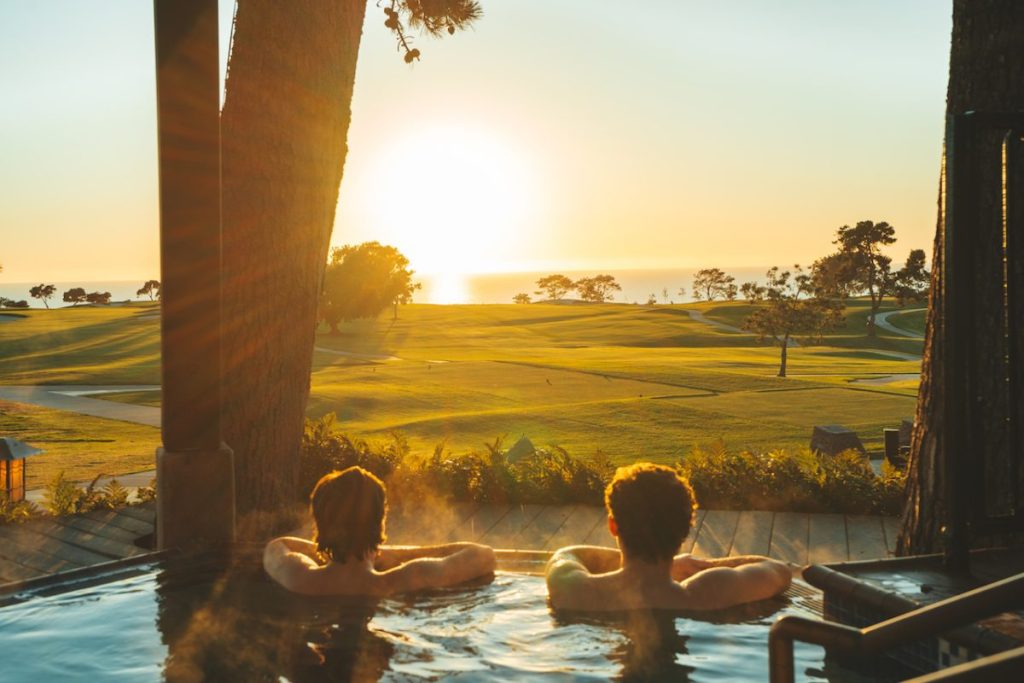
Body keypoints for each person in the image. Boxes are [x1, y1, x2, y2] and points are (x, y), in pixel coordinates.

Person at [546, 463, 793, 611]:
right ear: (685, 530)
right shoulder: (707, 593)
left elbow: (566, 554)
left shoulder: (577, 591)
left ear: (613, 526)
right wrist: (687, 565)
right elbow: (779, 571)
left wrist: (646, 561)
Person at [264, 466, 496, 596]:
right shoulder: (406, 578)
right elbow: (485, 555)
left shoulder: (298, 578)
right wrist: (378, 551)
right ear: (380, 521)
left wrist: (333, 545)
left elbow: (279, 545)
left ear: (320, 522)